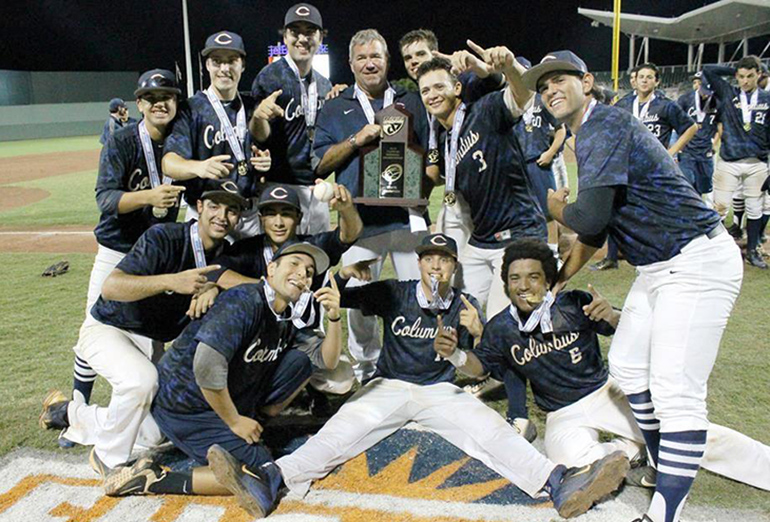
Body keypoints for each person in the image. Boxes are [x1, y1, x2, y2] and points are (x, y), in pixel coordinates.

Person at [195, 233, 629, 520]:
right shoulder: (394, 291)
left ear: (454, 267)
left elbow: (482, 367)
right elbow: (342, 294)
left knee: (491, 431)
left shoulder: (465, 303)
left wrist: (467, 344)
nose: (436, 267)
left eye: (445, 260)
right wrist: (339, 279)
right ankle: (272, 480)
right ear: (419, 264)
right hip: (388, 386)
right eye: (430, 259)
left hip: (441, 389)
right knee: (338, 434)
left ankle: (558, 482)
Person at [524, 50, 743, 522]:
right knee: (625, 365)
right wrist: (559, 282)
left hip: (696, 259)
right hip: (661, 266)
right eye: (542, 87)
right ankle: (667, 462)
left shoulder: (603, 125)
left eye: (559, 80)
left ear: (587, 80)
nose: (550, 91)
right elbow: (596, 232)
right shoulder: (589, 131)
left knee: (674, 389)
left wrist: (551, 205)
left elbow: (586, 217)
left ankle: (664, 513)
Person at [453, 239, 770, 493]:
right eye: (515, 278)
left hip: (604, 393)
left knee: (689, 436)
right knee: (568, 462)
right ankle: (631, 450)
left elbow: (626, 328)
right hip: (561, 413)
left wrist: (612, 314)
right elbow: (479, 368)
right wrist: (456, 354)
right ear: (506, 283)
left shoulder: (573, 303)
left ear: (549, 279)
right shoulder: (500, 327)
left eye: (533, 277)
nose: (524, 286)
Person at [101, 243, 342, 503]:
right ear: (271, 269)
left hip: (214, 400)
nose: (302, 273)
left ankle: (251, 422)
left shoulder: (286, 317)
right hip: (184, 405)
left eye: (308, 271)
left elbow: (326, 361)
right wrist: (234, 422)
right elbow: (206, 366)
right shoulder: (245, 300)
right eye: (293, 263)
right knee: (262, 469)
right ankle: (153, 478)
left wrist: (335, 318)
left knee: (300, 361)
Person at [39, 181, 246, 484]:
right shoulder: (164, 236)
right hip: (109, 328)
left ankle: (68, 413)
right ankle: (107, 459)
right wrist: (172, 282)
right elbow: (111, 288)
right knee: (141, 382)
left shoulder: (223, 255)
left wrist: (214, 286)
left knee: (152, 432)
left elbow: (241, 282)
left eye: (232, 210)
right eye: (215, 205)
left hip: (151, 343)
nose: (222, 215)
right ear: (199, 207)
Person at [64, 70, 185, 447]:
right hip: (117, 251)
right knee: (96, 325)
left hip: (157, 258)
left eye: (167, 96)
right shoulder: (121, 141)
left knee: (152, 337)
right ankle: (76, 405)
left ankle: (139, 411)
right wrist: (149, 197)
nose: (159, 103)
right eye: (151, 98)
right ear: (140, 105)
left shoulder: (181, 142)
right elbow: (105, 198)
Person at [312, 29, 430, 382]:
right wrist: (355, 140)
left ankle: (422, 360)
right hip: (360, 224)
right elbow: (320, 165)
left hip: (407, 218)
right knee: (360, 302)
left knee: (421, 293)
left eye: (375, 56)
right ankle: (367, 370)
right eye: (361, 57)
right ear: (350, 64)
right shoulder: (334, 107)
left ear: (387, 60)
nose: (369, 63)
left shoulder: (413, 100)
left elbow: (430, 156)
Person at [416, 49, 546, 320]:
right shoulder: (444, 140)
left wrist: (509, 67)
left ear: (458, 87)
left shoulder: (485, 109)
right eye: (425, 90)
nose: (432, 94)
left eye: (440, 86)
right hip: (481, 240)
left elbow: (524, 95)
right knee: (461, 315)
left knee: (504, 320)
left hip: (518, 232)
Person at [209, 182, 363, 404]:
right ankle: (263, 401)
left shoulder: (312, 247)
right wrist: (271, 289)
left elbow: (349, 236)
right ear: (261, 218)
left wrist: (346, 208)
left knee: (340, 378)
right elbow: (215, 272)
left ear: (299, 218)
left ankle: (302, 388)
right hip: (258, 341)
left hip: (301, 337)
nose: (278, 222)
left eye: (286, 214)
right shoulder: (247, 249)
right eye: (271, 214)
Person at [163, 30, 270, 239]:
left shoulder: (252, 108)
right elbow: (169, 163)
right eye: (217, 61)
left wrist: (265, 162)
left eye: (232, 60)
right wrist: (199, 167)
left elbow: (265, 150)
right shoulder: (190, 109)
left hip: (248, 216)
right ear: (207, 65)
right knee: (204, 272)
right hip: (206, 215)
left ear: (243, 65)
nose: (225, 68)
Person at [593, 63, 698, 271]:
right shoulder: (623, 104)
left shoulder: (665, 105)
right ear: (634, 80)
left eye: (650, 77)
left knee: (660, 211)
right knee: (618, 210)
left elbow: (691, 127)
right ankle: (611, 257)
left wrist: (671, 152)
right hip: (626, 168)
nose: (644, 80)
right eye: (641, 76)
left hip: (655, 171)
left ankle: (669, 256)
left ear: (656, 81)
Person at [250, 3, 345, 234]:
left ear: (320, 37)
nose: (303, 38)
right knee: (284, 260)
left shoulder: (323, 84)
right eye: (295, 32)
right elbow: (257, 136)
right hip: (280, 184)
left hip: (317, 186)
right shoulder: (269, 77)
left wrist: (341, 98)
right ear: (285, 38)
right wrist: (259, 117)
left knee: (317, 258)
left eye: (310, 32)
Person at [703, 56, 770, 269]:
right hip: (729, 160)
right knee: (720, 207)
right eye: (741, 76)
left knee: (754, 207)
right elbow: (709, 70)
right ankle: (716, 250)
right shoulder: (728, 93)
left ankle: (752, 250)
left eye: (750, 76)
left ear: (759, 75)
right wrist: (733, 70)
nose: (745, 81)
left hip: (757, 161)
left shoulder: (767, 98)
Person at [676, 72, 722, 205]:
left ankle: (705, 218)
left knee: (705, 190)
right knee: (687, 187)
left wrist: (715, 142)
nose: (697, 85)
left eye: (700, 82)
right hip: (687, 151)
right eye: (695, 82)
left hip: (706, 151)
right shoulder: (685, 99)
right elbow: (676, 123)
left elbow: (720, 125)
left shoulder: (717, 101)